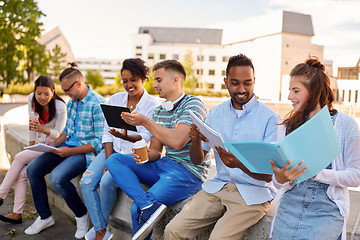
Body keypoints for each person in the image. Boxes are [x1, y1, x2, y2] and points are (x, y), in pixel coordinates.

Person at [164, 54, 280, 240]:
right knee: (173, 231)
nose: (242, 89)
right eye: (235, 83)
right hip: (218, 188)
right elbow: (198, 159)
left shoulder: (270, 119)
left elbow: (270, 175)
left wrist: (239, 164)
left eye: (247, 83)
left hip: (253, 195)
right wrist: (195, 139)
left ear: (254, 82)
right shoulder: (216, 114)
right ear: (226, 82)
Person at [105, 59, 208, 240]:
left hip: (187, 173)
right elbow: (155, 151)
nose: (154, 85)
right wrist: (142, 156)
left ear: (176, 80)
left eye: (159, 80)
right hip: (164, 164)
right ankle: (147, 203)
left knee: (136, 209)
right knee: (114, 160)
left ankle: (144, 205)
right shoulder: (159, 111)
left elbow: (177, 142)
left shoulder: (193, 104)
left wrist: (145, 121)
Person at [270, 57, 360, 240]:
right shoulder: (288, 126)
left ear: (314, 92)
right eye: (290, 90)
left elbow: (356, 175)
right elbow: (278, 183)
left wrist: (318, 174)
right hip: (290, 205)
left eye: (295, 91)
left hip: (327, 210)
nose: (289, 97)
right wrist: (279, 178)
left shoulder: (346, 125)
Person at [80, 58, 159, 240]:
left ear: (142, 78)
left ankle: (99, 229)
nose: (129, 84)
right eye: (125, 81)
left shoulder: (151, 105)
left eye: (133, 80)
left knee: (106, 183)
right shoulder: (116, 99)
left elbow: (147, 136)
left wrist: (126, 136)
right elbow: (107, 134)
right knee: (86, 182)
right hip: (112, 150)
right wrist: (109, 160)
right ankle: (101, 230)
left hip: (132, 156)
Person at [25, 63, 106, 239]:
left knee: (56, 178)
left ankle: (81, 215)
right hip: (68, 146)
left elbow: (99, 142)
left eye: (67, 90)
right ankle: (45, 217)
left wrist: (69, 152)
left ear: (78, 83)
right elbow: (67, 132)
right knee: (32, 169)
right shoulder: (72, 103)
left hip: (85, 152)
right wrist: (52, 145)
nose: (65, 94)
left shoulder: (98, 103)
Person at [0, 76, 66, 224]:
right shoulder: (32, 99)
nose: (42, 97)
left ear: (53, 92)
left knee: (19, 158)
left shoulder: (60, 107)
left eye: (46, 94)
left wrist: (43, 129)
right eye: (39, 93)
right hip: (40, 145)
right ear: (34, 92)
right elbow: (31, 126)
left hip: (55, 146)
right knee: (22, 172)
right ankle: (17, 214)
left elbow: (59, 133)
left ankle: (1, 194)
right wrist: (30, 147)